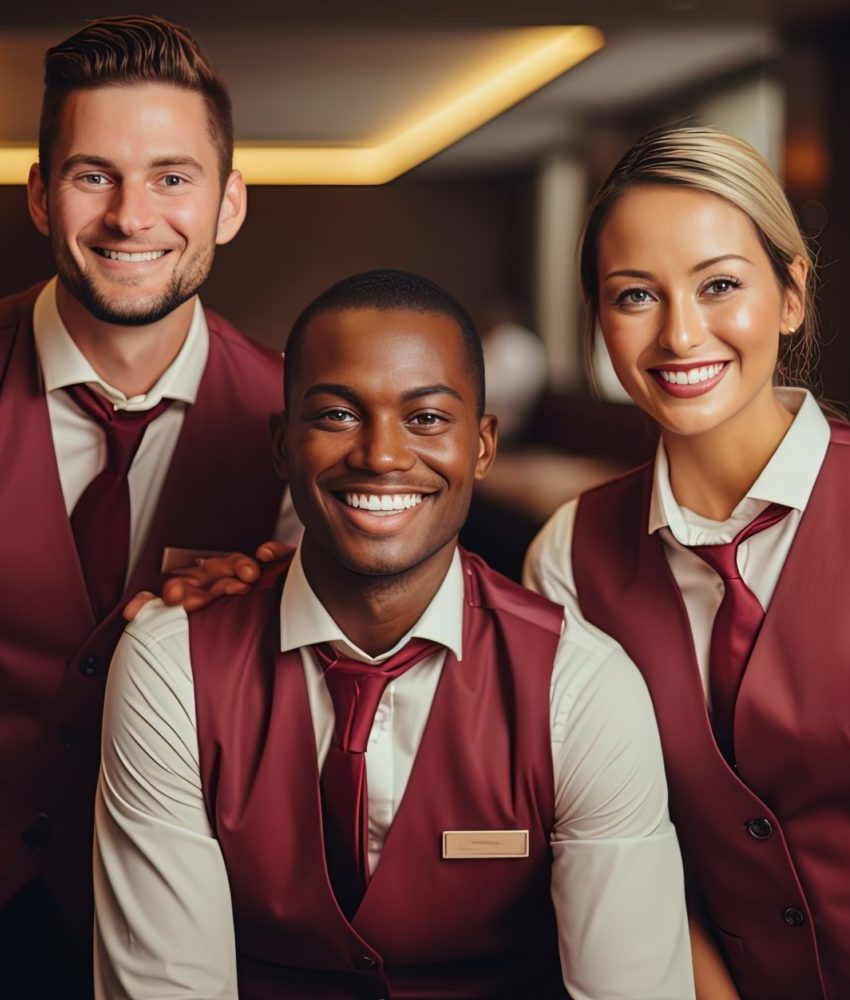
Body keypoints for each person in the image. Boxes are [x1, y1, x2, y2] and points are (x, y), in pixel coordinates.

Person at [96, 269, 694, 1000]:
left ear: (482, 447)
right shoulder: (170, 666)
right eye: (339, 415)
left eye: (426, 418)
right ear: (284, 446)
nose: (380, 455)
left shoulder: (583, 689)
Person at [0, 16, 295, 995]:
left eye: (172, 177)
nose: (133, 217)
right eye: (94, 175)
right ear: (42, 195)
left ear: (229, 203)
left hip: (201, 922)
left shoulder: (311, 430)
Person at [524, 126, 848, 999]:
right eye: (635, 295)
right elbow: (623, 851)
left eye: (720, 286)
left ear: (790, 293)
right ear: (597, 315)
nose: (680, 334)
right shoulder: (568, 557)